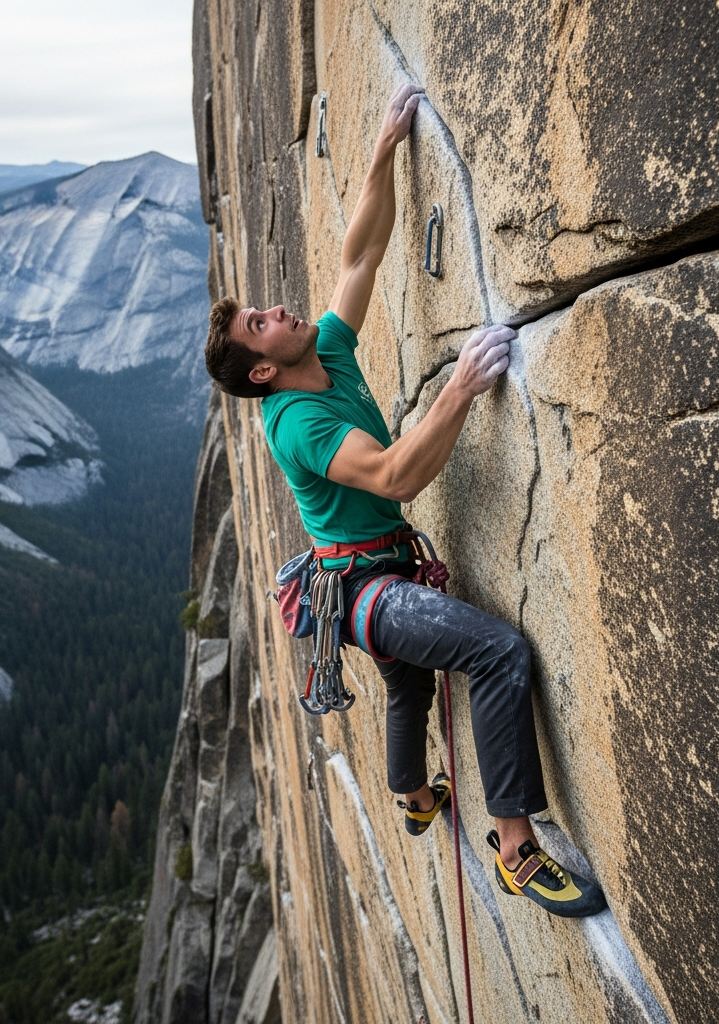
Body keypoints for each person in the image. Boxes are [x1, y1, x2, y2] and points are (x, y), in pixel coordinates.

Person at [204, 83, 605, 917]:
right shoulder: (299, 421)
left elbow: (360, 255)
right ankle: (516, 849)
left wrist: (384, 150)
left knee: (408, 690)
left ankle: (418, 799)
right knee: (496, 654)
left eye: (264, 311)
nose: (276, 308)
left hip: (370, 570)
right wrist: (459, 386)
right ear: (263, 370)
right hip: (364, 593)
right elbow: (392, 477)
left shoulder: (327, 352)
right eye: (259, 324)